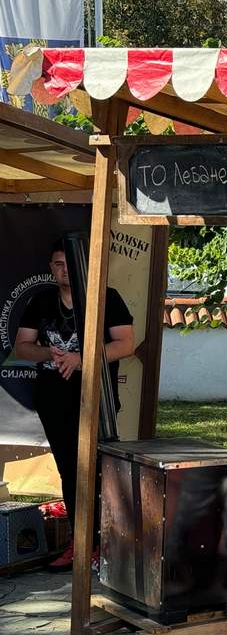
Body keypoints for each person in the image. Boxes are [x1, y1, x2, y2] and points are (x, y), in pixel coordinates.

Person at [14, 239, 134, 570]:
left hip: (98, 398)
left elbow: (126, 343)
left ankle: (106, 544)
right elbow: (23, 346)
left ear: (83, 266)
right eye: (57, 264)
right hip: (54, 399)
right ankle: (79, 542)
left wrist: (82, 358)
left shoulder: (105, 297)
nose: (63, 270)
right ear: (51, 268)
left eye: (69, 263)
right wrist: (49, 355)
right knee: (70, 471)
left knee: (99, 468)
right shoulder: (41, 301)